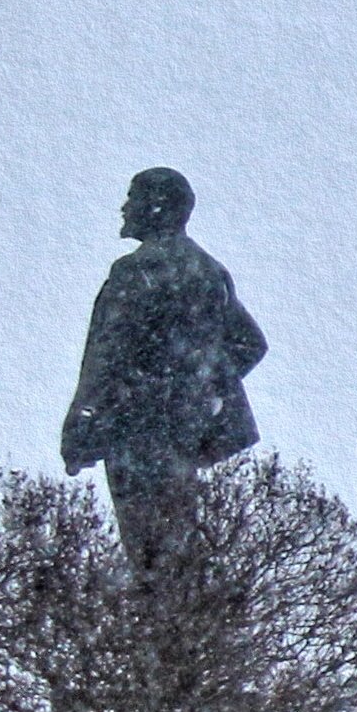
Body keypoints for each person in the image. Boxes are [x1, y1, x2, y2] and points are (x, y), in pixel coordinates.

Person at [60, 167, 268, 564]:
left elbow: (106, 357)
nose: (125, 208)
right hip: (185, 431)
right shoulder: (208, 269)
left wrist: (83, 424)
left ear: (159, 209)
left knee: (145, 549)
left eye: (133, 198)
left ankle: (157, 622)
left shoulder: (136, 271)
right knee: (175, 540)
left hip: (134, 427)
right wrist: (197, 385)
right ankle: (178, 618)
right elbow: (249, 343)